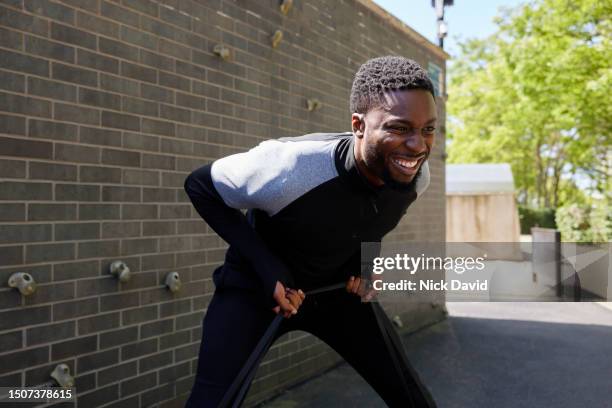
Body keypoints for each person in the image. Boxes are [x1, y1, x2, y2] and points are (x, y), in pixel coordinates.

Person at [183, 55, 438, 407]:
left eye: (428, 129)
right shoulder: (291, 166)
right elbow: (199, 186)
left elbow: (372, 220)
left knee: (412, 398)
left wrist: (363, 267)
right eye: (399, 128)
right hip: (258, 290)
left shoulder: (413, 177)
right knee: (212, 402)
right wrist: (267, 266)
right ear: (358, 125)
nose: (418, 146)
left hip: (335, 293)